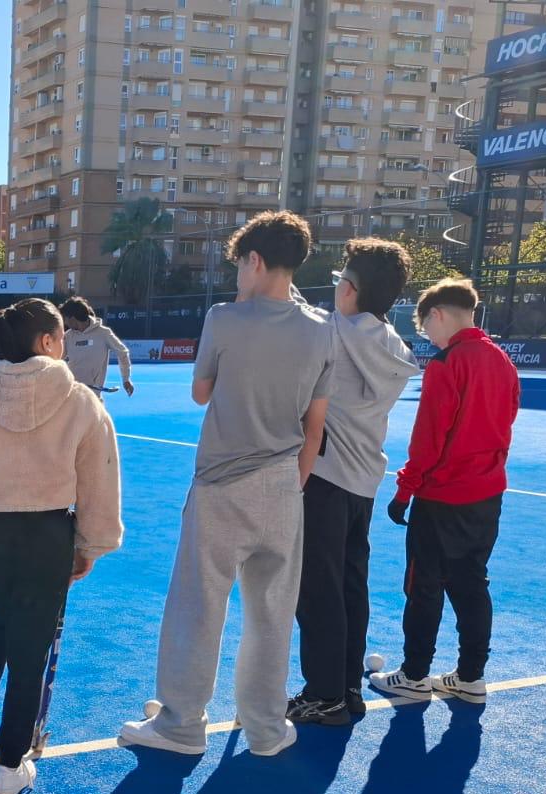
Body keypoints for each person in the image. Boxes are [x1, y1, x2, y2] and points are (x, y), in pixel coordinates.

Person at [116, 210, 332, 758]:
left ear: (254, 260)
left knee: (198, 604)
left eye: (239, 265)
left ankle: (181, 725)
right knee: (272, 614)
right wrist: (291, 483)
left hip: (222, 484)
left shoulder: (224, 317)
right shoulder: (322, 327)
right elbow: (316, 425)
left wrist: (239, 309)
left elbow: (201, 392)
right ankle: (266, 728)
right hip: (284, 484)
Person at [0, 297, 124, 794]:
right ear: (47, 341)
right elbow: (99, 482)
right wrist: (91, 544)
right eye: (61, 339)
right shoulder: (81, 401)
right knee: (31, 647)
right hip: (46, 535)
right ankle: (10, 765)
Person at [370, 277, 519, 705]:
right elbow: (507, 421)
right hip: (487, 494)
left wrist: (405, 489)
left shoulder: (446, 362)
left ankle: (415, 675)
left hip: (442, 497)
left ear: (437, 315)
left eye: (425, 327)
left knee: (424, 586)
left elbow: (429, 438)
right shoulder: (503, 361)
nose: (427, 337)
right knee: (472, 583)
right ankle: (470, 676)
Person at [290, 240, 415, 725]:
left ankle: (324, 695)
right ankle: (345, 688)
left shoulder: (330, 332)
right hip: (363, 478)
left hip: (323, 475)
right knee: (349, 585)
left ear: (348, 289)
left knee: (316, 590)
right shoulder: (394, 346)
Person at [59, 297, 134, 397]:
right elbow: (57, 359)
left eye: (65, 319)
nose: (65, 323)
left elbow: (123, 352)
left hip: (93, 397)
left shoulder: (103, 333)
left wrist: (126, 379)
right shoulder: (68, 336)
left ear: (72, 318)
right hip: (71, 393)